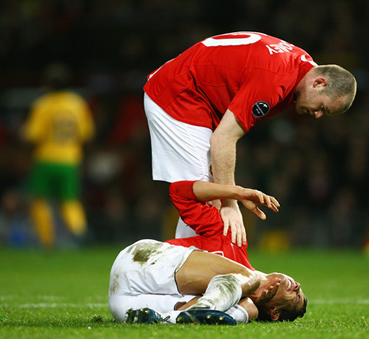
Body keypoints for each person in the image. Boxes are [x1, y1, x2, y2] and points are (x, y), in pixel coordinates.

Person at [143, 32, 357, 246]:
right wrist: (230, 203)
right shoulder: (276, 80)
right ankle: (184, 271)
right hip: (178, 94)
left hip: (196, 95)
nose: (318, 115)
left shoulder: (302, 65)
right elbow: (223, 139)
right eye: (322, 108)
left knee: (209, 195)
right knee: (208, 198)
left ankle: (193, 267)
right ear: (319, 83)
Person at [109, 180, 307, 324]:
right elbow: (178, 192)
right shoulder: (233, 238)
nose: (298, 286)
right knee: (249, 278)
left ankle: (169, 319)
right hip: (139, 265)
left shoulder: (244, 307)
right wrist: (236, 193)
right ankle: (202, 310)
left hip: (128, 307)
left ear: (274, 313)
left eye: (297, 298)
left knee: (248, 309)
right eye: (300, 288)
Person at [21, 63, 95, 249]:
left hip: (46, 159)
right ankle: (79, 232)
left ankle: (47, 240)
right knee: (69, 199)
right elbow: (87, 133)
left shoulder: (43, 103)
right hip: (70, 160)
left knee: (40, 199)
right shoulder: (77, 103)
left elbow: (32, 134)